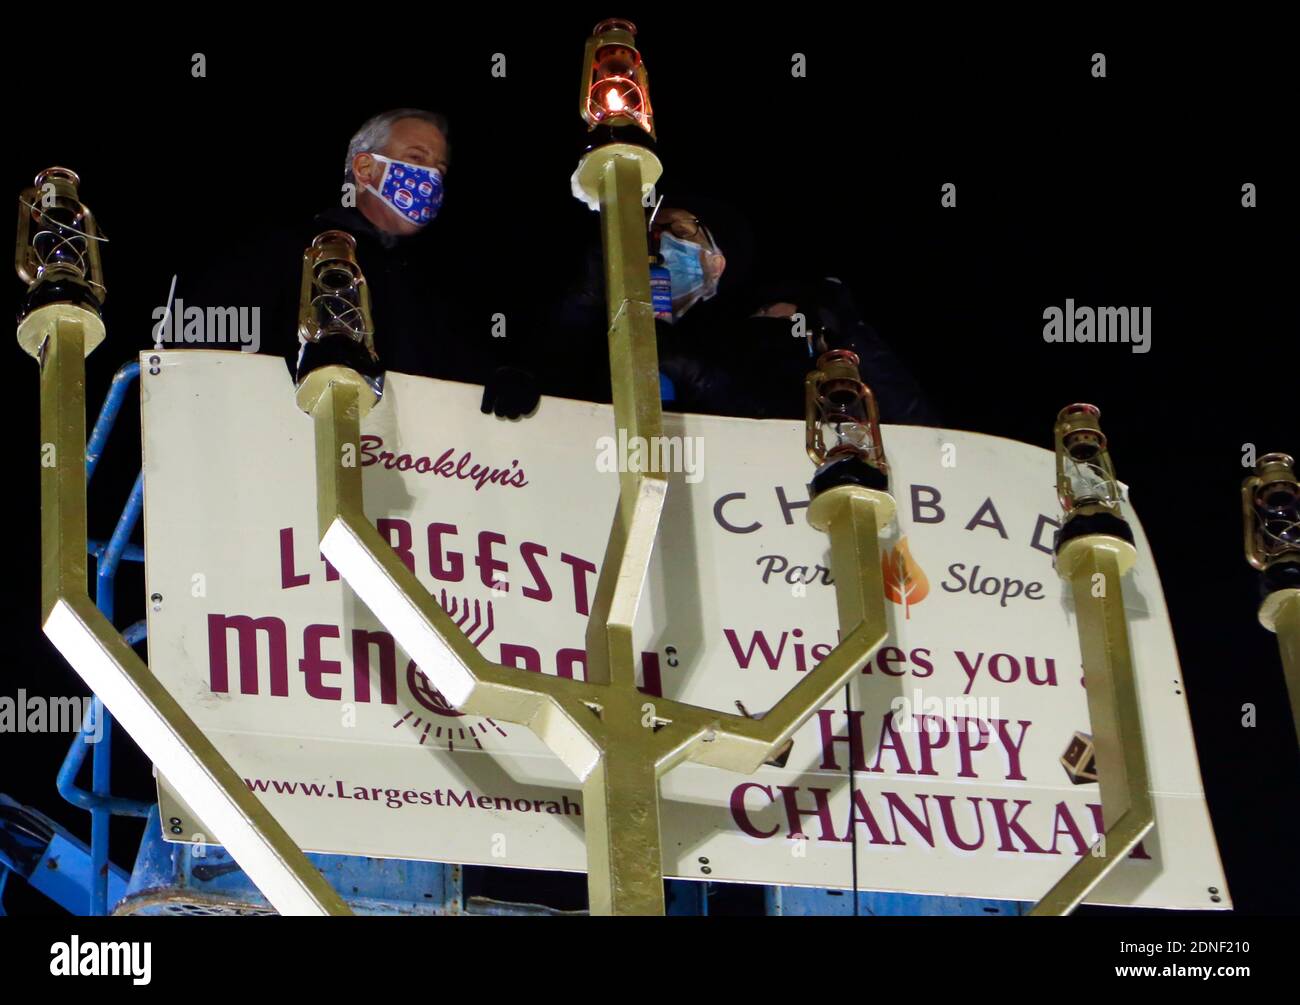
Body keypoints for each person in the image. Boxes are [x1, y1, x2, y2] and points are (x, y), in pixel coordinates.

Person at [177, 108, 539, 418]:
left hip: (412, 472)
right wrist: (299, 364)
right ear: (365, 168)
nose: (431, 178)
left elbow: (461, 369)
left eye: (440, 169)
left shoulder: (437, 283)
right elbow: (203, 346)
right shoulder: (286, 249)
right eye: (417, 158)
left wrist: (498, 377)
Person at [541, 194, 938, 426]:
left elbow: (903, 419)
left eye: (677, 234)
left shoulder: (749, 337)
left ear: (716, 263)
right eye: (652, 235)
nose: (658, 245)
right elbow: (560, 370)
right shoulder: (598, 306)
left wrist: (693, 374)